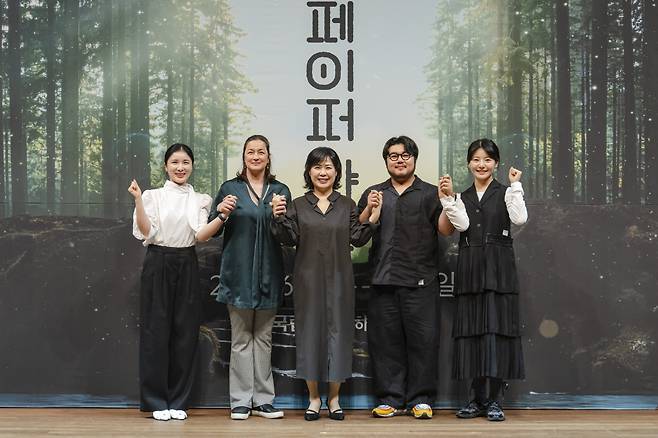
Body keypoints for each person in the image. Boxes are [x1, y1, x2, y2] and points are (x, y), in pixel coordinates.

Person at [270, 146, 381, 421]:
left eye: (329, 167)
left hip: (341, 281)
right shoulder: (297, 204)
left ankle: (334, 398)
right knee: (309, 335)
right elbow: (287, 237)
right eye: (318, 167)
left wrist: (373, 215)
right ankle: (313, 398)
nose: (323, 172)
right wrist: (277, 216)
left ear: (337, 172)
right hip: (307, 281)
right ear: (309, 171)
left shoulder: (346, 205)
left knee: (340, 336)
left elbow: (358, 237)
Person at [357, 135, 450, 420]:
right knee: (385, 344)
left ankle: (421, 399)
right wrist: (371, 209)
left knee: (423, 343)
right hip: (383, 281)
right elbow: (358, 234)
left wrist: (448, 202)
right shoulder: (374, 192)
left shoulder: (431, 192)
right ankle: (390, 398)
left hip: (421, 281)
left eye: (405, 155)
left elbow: (446, 230)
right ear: (386, 161)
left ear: (414, 159)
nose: (400, 160)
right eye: (393, 155)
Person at [438, 138, 527, 422]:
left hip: (499, 268)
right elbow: (461, 226)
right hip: (471, 266)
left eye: (487, 159)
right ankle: (475, 399)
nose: (481, 164)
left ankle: (495, 400)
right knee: (473, 333)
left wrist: (515, 186)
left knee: (495, 333)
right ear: (468, 163)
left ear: (496, 163)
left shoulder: (505, 191)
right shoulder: (462, 196)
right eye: (476, 159)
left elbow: (520, 218)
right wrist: (449, 198)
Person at [129, 143, 219, 421]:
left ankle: (179, 401)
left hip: (188, 262)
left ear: (192, 166)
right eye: (175, 162)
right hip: (158, 260)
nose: (181, 167)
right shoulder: (152, 196)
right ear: (166, 166)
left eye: (186, 162)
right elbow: (145, 232)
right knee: (156, 332)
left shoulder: (200, 199)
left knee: (186, 333)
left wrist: (223, 216)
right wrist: (137, 201)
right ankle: (157, 401)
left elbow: (202, 235)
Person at [206, 135, 292, 420]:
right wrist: (222, 212)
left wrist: (280, 218)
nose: (255, 156)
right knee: (241, 339)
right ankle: (241, 401)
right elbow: (213, 230)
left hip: (269, 274)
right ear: (243, 157)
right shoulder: (230, 189)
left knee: (264, 339)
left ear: (269, 157)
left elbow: (288, 237)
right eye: (250, 152)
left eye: (261, 152)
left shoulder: (280, 191)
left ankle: (264, 401)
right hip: (238, 275)